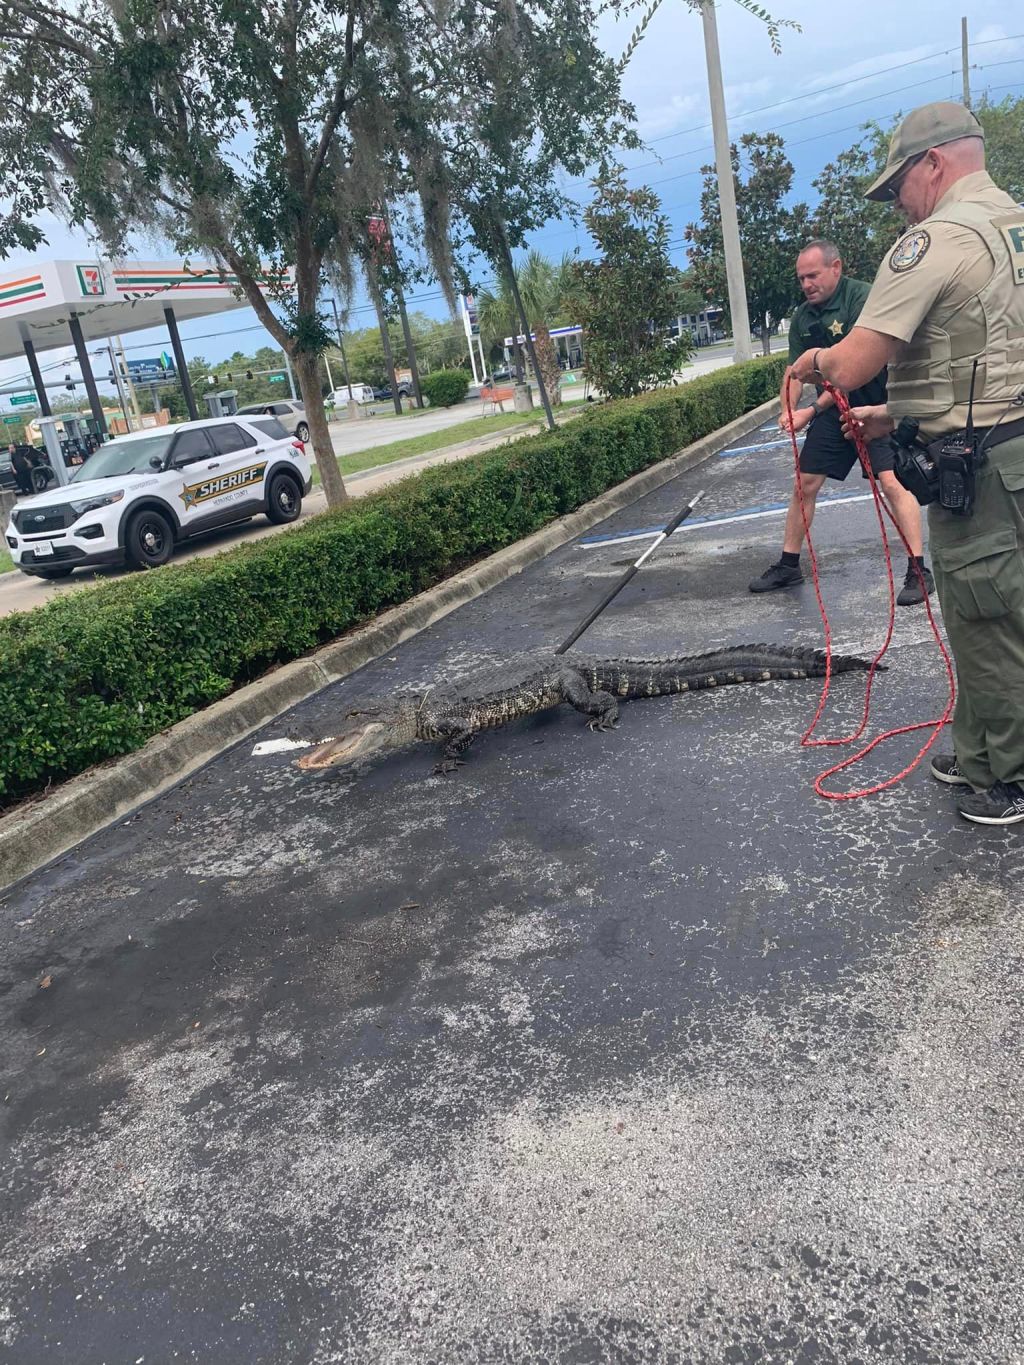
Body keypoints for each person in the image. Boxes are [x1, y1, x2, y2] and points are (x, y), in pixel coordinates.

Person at [790, 101, 1024, 826]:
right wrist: (892, 415)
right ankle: (982, 753)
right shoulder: (1013, 225)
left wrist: (813, 361)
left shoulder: (939, 239)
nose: (899, 207)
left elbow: (859, 355)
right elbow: (984, 358)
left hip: (980, 469)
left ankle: (1007, 776)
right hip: (1010, 446)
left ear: (935, 163)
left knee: (985, 620)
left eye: (900, 188)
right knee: (1002, 609)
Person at [749, 240, 934, 606]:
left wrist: (811, 411)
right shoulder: (803, 317)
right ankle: (788, 564)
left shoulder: (862, 300)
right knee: (805, 483)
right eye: (801, 278)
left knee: (893, 482)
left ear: (836, 267)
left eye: (813, 275)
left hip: (877, 403)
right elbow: (796, 372)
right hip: (837, 408)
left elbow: (851, 370)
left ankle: (918, 569)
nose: (806, 284)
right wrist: (788, 409)